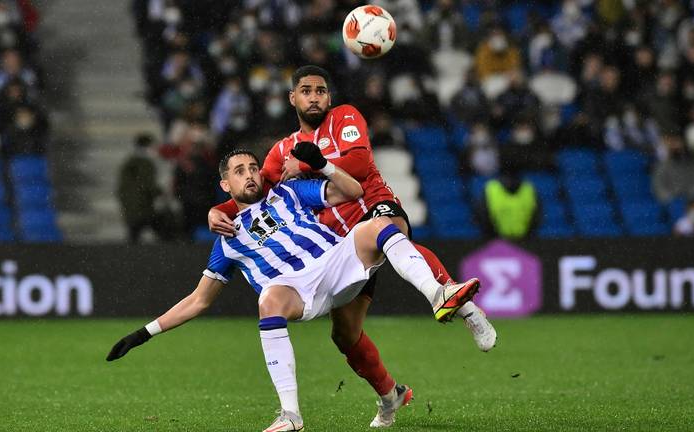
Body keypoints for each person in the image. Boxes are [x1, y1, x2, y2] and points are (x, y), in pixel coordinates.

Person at [106, 149, 481, 431]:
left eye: (253, 168)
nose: (250, 175)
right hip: (298, 293)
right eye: (239, 172)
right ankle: (291, 414)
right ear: (226, 185)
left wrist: (323, 163)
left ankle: (437, 295)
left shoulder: (288, 194)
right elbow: (199, 300)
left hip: (336, 262)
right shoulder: (227, 241)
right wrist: (144, 333)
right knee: (269, 299)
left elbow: (351, 190)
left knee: (376, 225)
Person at [207, 66, 496, 419]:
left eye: (321, 91)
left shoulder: (345, 116)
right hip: (338, 244)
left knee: (388, 228)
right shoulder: (281, 150)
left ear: (329, 97)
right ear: (292, 98)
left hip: (372, 202)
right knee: (345, 335)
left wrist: (310, 164)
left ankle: (458, 303)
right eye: (306, 91)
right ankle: (391, 396)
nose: (314, 97)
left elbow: (359, 162)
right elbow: (255, 190)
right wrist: (217, 210)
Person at [116, 133, 163, 243]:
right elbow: (147, 184)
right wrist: (160, 192)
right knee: (158, 228)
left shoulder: (130, 161)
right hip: (141, 203)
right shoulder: (145, 163)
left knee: (134, 233)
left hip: (132, 202)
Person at [477, 164, 540, 240]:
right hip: (521, 241)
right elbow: (537, 216)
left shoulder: (490, 188)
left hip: (501, 242)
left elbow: (537, 216)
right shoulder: (529, 188)